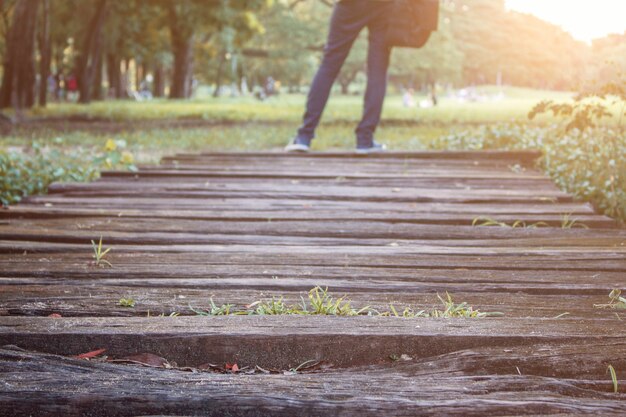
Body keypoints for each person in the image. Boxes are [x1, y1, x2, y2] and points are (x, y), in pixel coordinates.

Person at [286, 0, 393, 154]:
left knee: (329, 64)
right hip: (384, 5)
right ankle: (365, 139)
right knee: (378, 70)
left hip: (351, 4)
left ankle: (304, 137)